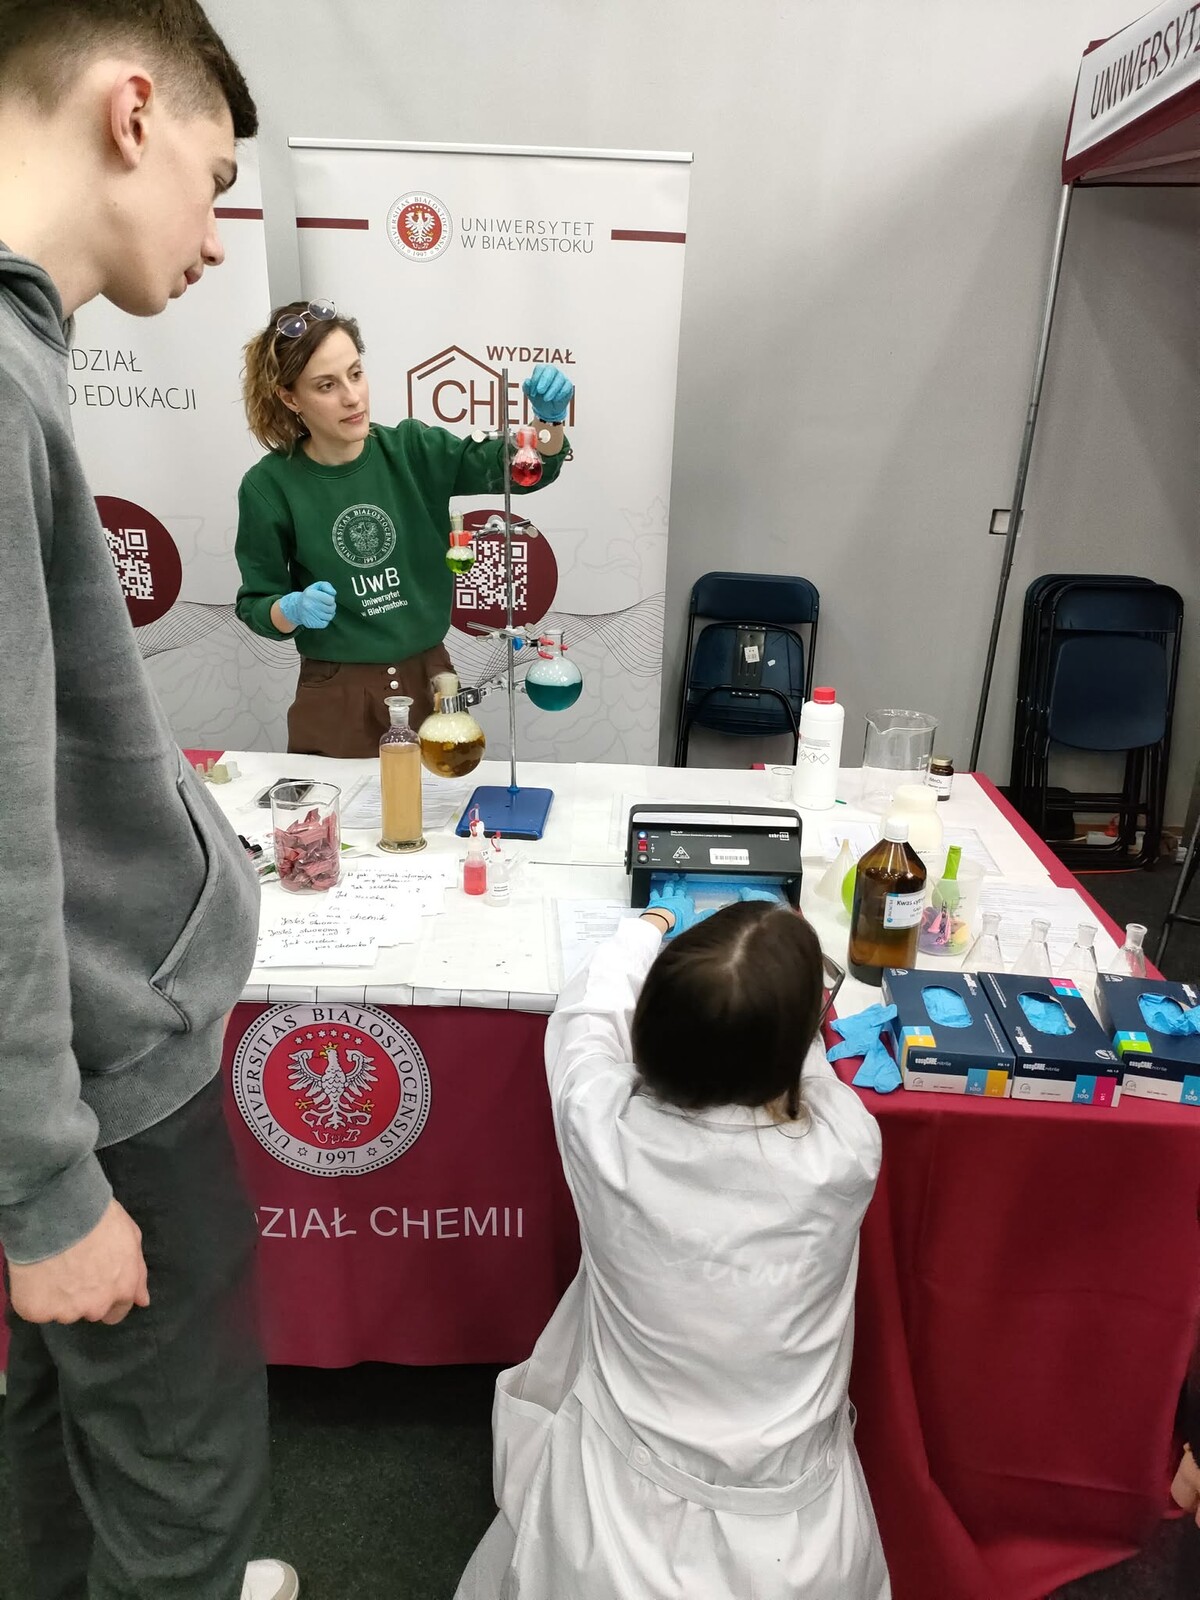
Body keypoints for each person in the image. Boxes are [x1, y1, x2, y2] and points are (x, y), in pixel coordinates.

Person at [0, 4, 294, 1597]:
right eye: (217, 173)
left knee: (70, 1444)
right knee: (184, 1503)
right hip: (107, 1085)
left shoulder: (26, 360)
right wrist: (49, 1186)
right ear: (131, 112)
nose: (216, 228)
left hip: (93, 1056)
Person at [456, 886, 891, 1600]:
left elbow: (589, 1010)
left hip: (619, 1521)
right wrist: (788, 974)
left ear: (649, 1030)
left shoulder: (604, 1129)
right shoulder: (845, 1152)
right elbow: (804, 1061)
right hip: (799, 1528)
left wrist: (650, 925)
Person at [234, 301, 574, 757]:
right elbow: (256, 604)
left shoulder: (413, 450)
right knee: (333, 807)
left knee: (441, 802)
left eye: (356, 374)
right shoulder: (269, 486)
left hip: (430, 679)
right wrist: (290, 609)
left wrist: (547, 422)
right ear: (290, 397)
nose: (352, 397)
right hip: (335, 695)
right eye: (327, 385)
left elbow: (519, 470)